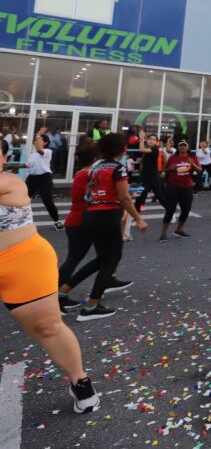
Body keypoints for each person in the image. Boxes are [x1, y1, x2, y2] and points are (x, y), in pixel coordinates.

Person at [0, 139, 101, 412]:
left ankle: (81, 381)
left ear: (4, 158)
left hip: (23, 263)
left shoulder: (11, 182)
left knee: (47, 327)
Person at [57, 145, 133, 314]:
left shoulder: (83, 173)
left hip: (80, 219)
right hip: (82, 220)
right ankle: (58, 294)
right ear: (94, 159)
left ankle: (107, 279)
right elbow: (92, 197)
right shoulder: (89, 174)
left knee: (102, 257)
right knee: (79, 259)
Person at [79, 133, 147, 320]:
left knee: (103, 258)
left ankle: (65, 290)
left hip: (91, 214)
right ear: (122, 149)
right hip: (108, 215)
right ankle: (91, 306)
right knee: (112, 258)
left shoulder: (95, 166)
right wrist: (138, 219)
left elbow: (87, 193)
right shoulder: (118, 168)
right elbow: (124, 197)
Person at [160, 141, 200, 242]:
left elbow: (200, 170)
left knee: (186, 209)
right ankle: (163, 233)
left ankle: (179, 230)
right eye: (180, 146)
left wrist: (192, 164)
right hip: (173, 186)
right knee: (170, 210)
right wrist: (170, 168)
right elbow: (165, 170)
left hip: (187, 187)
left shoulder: (193, 157)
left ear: (188, 147)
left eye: (184, 146)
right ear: (178, 147)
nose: (182, 147)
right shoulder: (173, 157)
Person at [26, 133, 61, 228]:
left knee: (47, 200)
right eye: (36, 140)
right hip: (32, 178)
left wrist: (38, 134)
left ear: (45, 143)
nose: (36, 141)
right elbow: (29, 165)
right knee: (24, 199)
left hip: (44, 177)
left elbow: (39, 150)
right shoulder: (33, 153)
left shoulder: (48, 151)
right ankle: (22, 220)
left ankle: (57, 221)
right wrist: (12, 166)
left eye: (40, 140)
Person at [133, 133, 165, 211]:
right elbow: (144, 164)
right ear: (147, 140)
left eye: (154, 140)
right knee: (140, 197)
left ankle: (170, 210)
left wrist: (141, 139)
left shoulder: (155, 150)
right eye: (150, 139)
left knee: (160, 197)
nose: (151, 141)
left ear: (156, 142)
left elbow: (141, 149)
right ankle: (137, 214)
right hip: (145, 177)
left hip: (153, 177)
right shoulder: (147, 152)